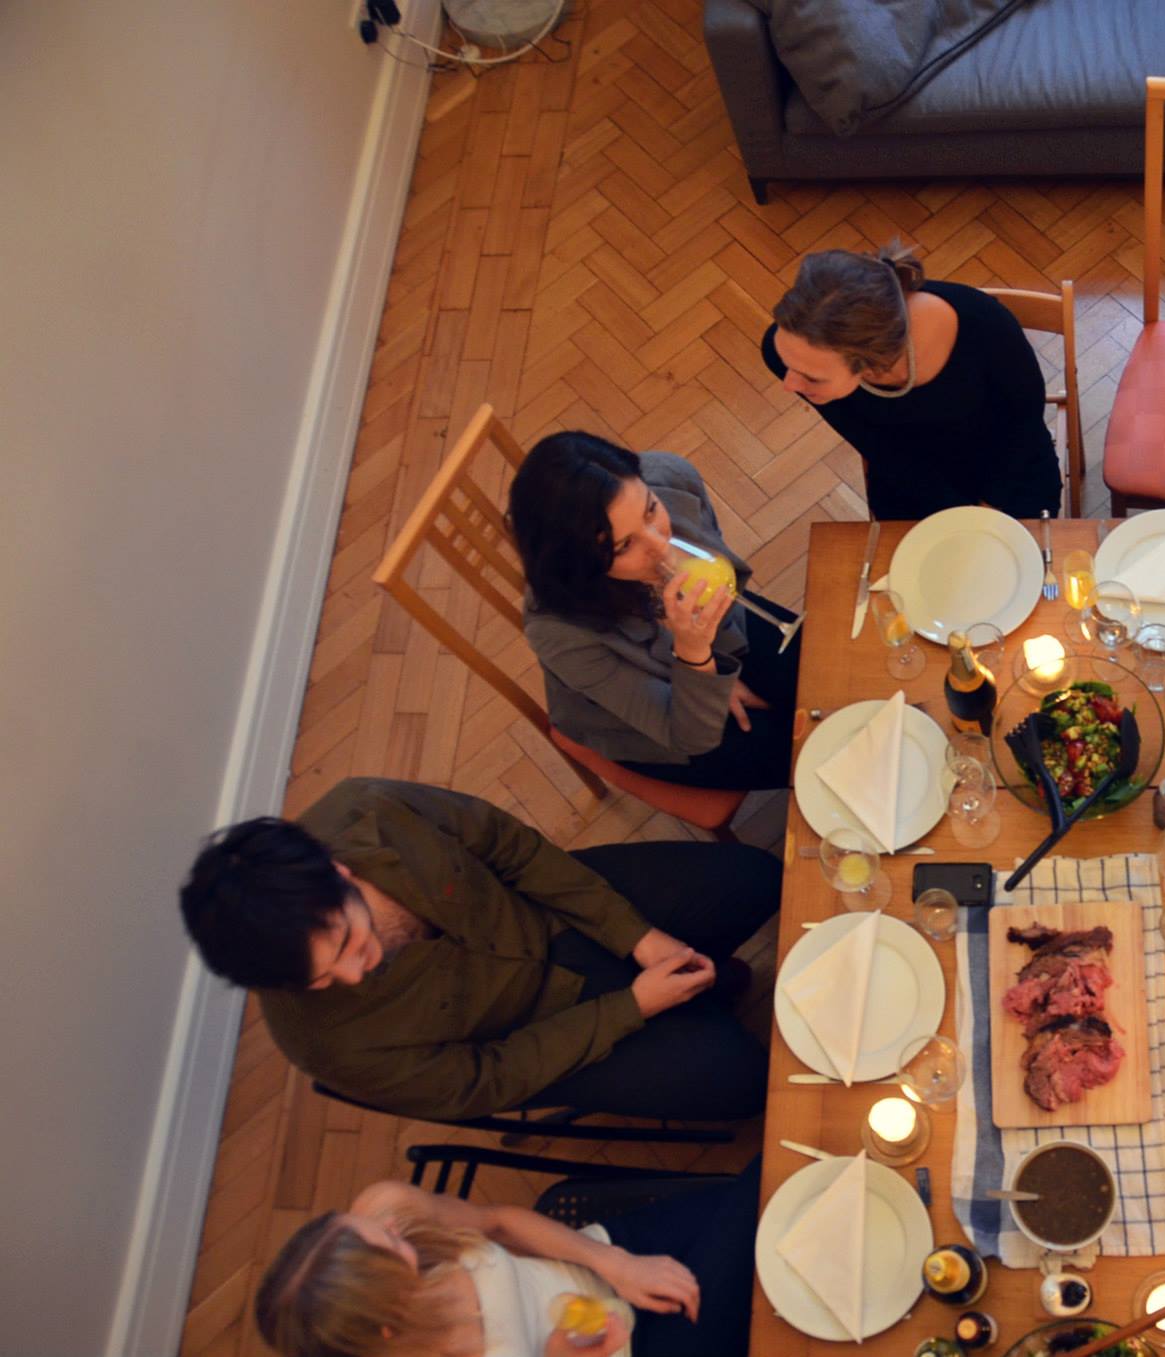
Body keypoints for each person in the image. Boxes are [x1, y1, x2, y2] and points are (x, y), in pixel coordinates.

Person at [178, 778, 776, 1123]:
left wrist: (636, 936)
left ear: (336, 870)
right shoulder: (324, 1046)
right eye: (319, 979)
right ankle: (706, 996)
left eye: (348, 942)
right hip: (540, 1030)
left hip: (555, 915)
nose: (355, 976)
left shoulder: (367, 811)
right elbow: (485, 1080)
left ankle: (712, 986)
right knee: (746, 1083)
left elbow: (508, 848)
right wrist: (631, 1008)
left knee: (755, 879)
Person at [509, 431, 801, 790]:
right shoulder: (559, 631)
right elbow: (686, 735)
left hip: (713, 628)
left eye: (651, 510)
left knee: (822, 678)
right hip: (655, 721)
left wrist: (715, 654)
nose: (661, 547)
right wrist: (697, 660)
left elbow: (721, 569)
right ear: (580, 562)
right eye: (624, 546)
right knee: (798, 754)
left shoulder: (671, 479)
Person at [253, 1159, 761, 1357]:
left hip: (606, 1253)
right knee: (772, 1205)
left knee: (767, 1195)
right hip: (638, 1350)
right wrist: (561, 1354)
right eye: (389, 1246)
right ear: (386, 1320)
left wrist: (616, 1264)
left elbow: (498, 1221)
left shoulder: (387, 1207)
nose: (390, 1226)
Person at [760, 243, 1063, 520]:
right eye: (788, 365)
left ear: (874, 360)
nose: (790, 383)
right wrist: (956, 512)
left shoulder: (985, 325)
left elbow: (1023, 418)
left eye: (811, 377)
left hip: (1010, 466)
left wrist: (989, 508)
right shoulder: (781, 351)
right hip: (911, 480)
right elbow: (876, 445)